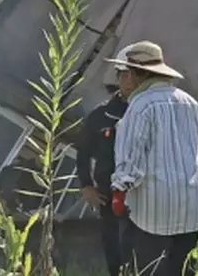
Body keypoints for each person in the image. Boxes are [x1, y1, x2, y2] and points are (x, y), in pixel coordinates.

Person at [108, 41, 198, 276]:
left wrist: (119, 190)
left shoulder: (140, 105)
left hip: (154, 212)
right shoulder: (191, 103)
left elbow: (131, 165)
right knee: (184, 271)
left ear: (136, 75)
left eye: (126, 73)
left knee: (149, 269)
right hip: (193, 209)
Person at [76, 66, 130, 276]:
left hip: (142, 194)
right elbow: (83, 153)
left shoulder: (147, 111)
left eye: (133, 76)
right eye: (124, 76)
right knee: (113, 250)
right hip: (108, 195)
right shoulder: (101, 115)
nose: (128, 81)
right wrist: (86, 185)